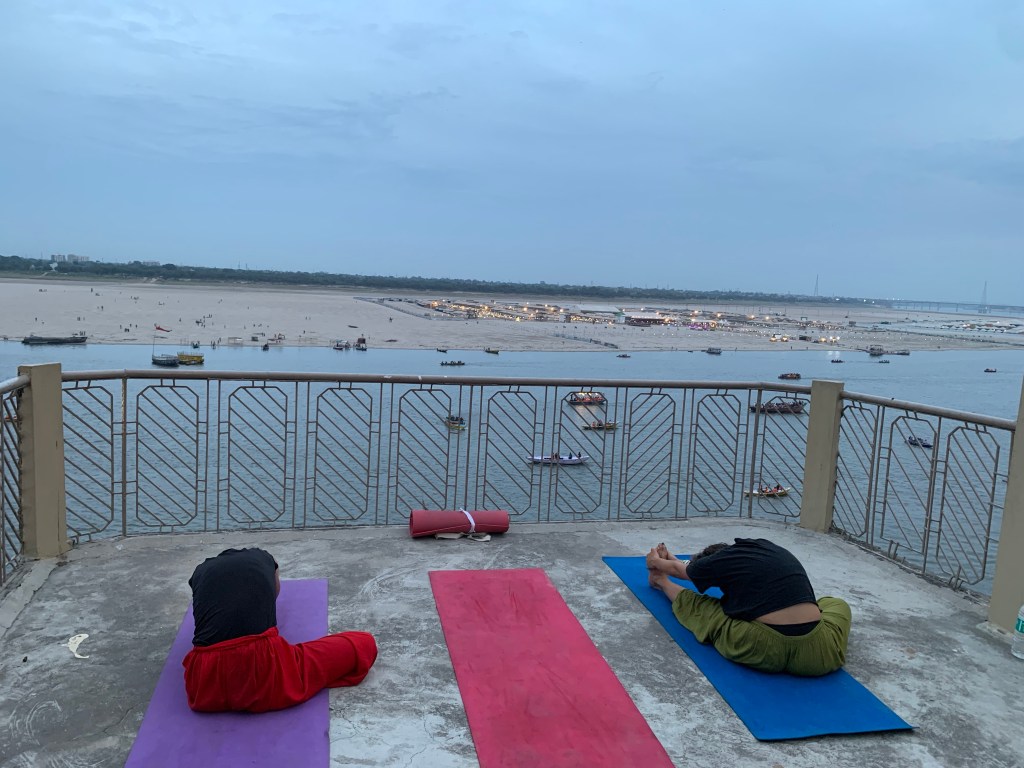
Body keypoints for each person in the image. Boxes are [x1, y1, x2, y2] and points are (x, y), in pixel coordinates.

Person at [183, 547, 378, 712]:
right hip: (262, 667)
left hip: (203, 683)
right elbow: (275, 589)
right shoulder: (265, 558)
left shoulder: (200, 571)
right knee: (363, 643)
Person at [645, 538, 850, 676]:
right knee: (836, 604)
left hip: (760, 649)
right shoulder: (758, 550)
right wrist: (674, 559)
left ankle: (660, 581)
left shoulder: (720, 562)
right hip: (818, 653)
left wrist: (655, 561)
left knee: (710, 610)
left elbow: (681, 571)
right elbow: (697, 570)